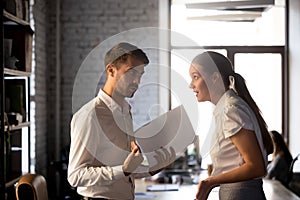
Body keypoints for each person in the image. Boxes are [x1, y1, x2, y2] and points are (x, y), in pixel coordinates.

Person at [68, 42, 175, 200]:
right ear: (111, 70)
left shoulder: (126, 111)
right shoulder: (90, 115)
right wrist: (123, 169)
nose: (137, 81)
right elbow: (75, 176)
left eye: (140, 74)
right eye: (131, 73)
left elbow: (126, 168)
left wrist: (151, 169)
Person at [188, 51, 273, 200]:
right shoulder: (225, 108)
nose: (191, 85)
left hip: (240, 194)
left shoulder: (230, 110)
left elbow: (256, 166)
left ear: (214, 77)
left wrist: (210, 182)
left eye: (195, 77)